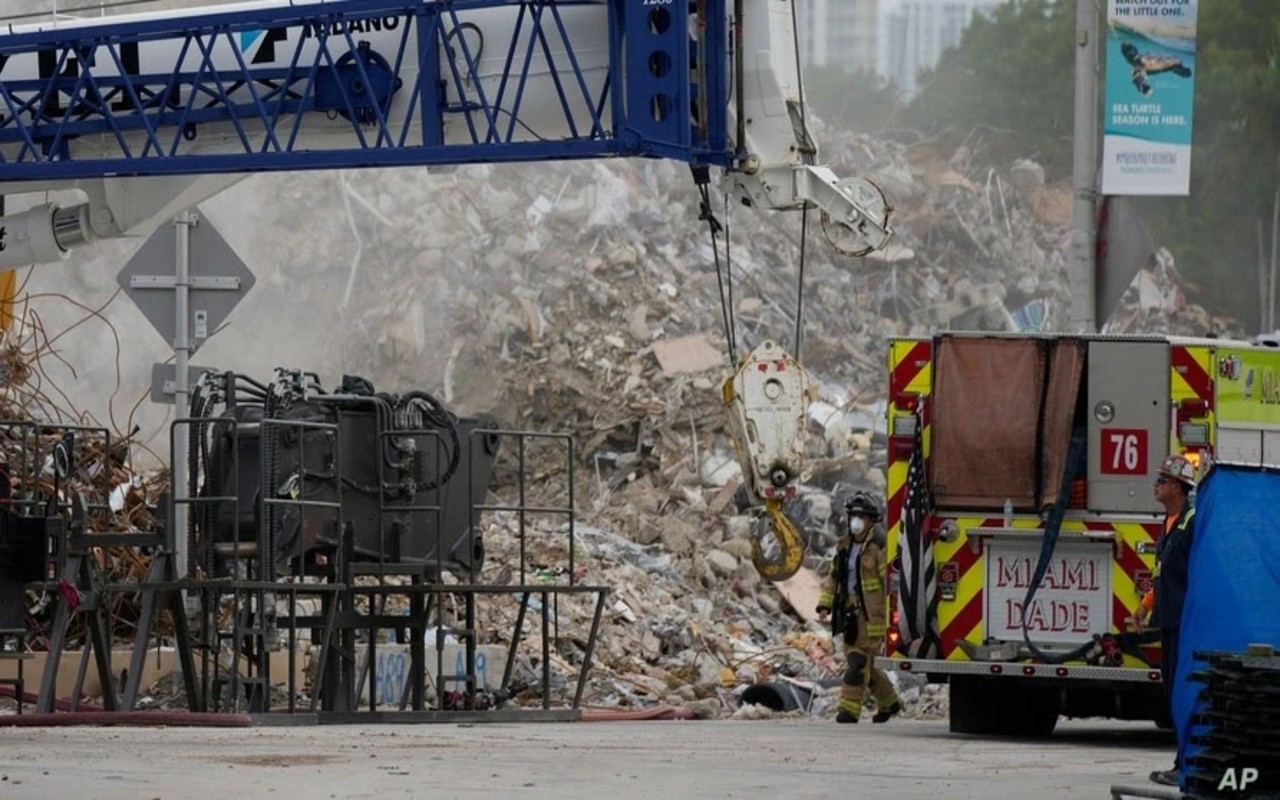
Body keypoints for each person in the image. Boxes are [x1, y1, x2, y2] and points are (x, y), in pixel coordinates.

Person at [1134, 454, 1197, 787]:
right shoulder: (1170, 522)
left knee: (1183, 692)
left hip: (1186, 622)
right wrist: (1146, 604)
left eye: (1161, 481)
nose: (1156, 486)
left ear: (1176, 486)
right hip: (1170, 621)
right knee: (1172, 690)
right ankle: (1182, 760)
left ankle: (1185, 764)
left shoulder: (1191, 522)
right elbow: (1163, 573)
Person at [816, 490, 902, 724]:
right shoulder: (844, 547)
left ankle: (848, 712)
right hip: (850, 617)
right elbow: (835, 580)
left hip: (871, 618)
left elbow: (890, 583)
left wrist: (895, 614)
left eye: (862, 516)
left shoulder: (878, 548)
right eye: (854, 515)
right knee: (868, 667)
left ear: (871, 520)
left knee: (857, 664)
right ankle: (890, 703)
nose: (856, 521)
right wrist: (825, 605)